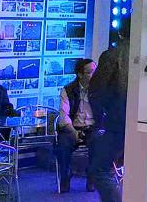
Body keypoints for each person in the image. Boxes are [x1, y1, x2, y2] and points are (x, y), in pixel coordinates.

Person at [88, 24, 130, 202]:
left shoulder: (111, 56)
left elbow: (96, 92)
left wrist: (101, 120)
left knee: (99, 169)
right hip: (145, 123)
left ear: (120, 33)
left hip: (116, 123)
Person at [56, 58, 101, 193]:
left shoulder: (99, 90)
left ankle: (91, 177)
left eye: (95, 71)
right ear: (80, 74)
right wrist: (73, 132)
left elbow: (104, 112)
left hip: (92, 128)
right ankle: (65, 177)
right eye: (90, 72)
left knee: (98, 143)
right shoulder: (68, 90)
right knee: (63, 145)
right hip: (72, 128)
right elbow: (64, 117)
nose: (94, 75)